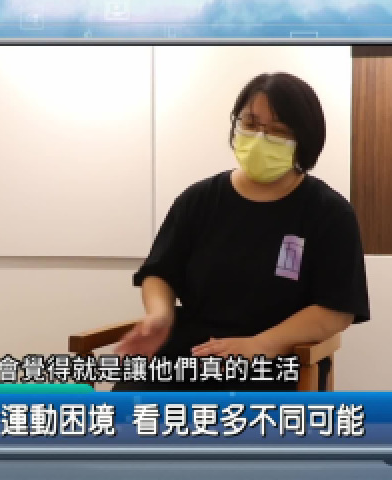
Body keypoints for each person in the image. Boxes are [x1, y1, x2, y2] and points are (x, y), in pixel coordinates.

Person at [113, 72, 371, 391]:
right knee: (124, 411)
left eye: (278, 131)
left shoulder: (328, 213)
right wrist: (160, 316)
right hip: (193, 350)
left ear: (304, 139)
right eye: (250, 124)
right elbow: (160, 272)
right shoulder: (200, 199)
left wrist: (261, 345)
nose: (260, 138)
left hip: (276, 358)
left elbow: (336, 309)